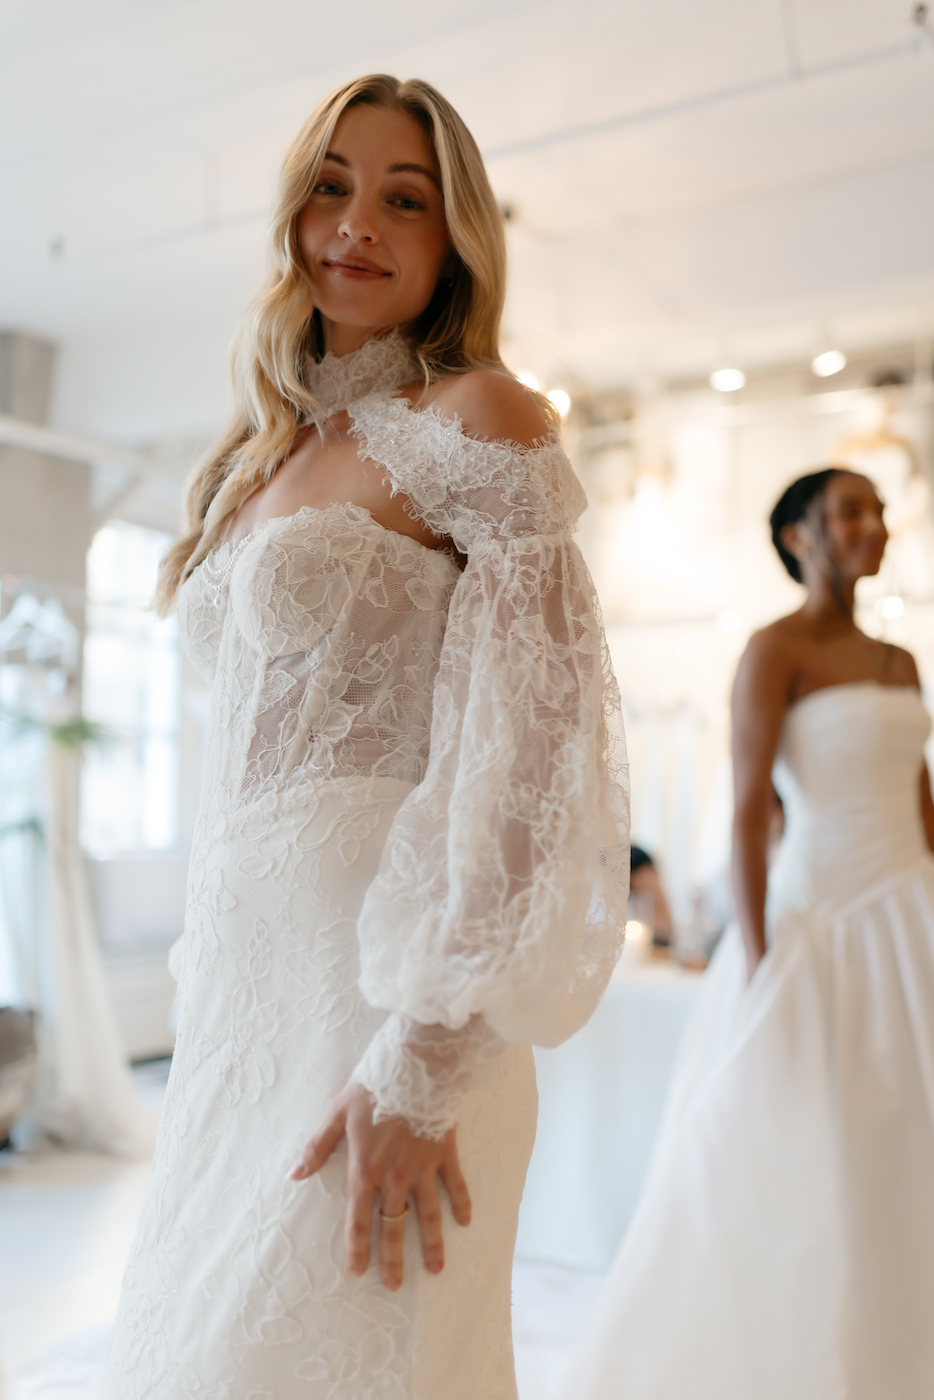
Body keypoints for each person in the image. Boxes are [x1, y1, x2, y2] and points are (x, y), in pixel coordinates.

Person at [101, 74, 629, 1400]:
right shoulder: (251, 462)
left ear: (457, 238)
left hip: (383, 999)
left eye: (407, 199)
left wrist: (423, 1061)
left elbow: (537, 758)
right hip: (241, 1003)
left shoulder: (478, 422)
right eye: (332, 186)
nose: (358, 225)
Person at [568, 467, 934, 1400]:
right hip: (816, 917)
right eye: (852, 511)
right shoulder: (774, 651)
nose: (873, 526)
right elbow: (745, 814)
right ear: (799, 535)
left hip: (909, 906)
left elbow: (921, 806)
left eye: (879, 512)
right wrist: (763, 948)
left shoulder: (901, 663)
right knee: (811, 1132)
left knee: (909, 1129)